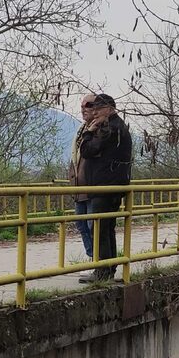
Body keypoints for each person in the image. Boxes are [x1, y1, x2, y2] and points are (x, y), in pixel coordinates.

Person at [70, 92, 134, 283]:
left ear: (109, 108)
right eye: (94, 109)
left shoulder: (109, 128)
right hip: (112, 186)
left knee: (100, 229)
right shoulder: (118, 126)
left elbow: (88, 150)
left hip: (104, 187)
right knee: (106, 229)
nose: (95, 113)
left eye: (98, 109)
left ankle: (102, 272)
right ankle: (109, 268)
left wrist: (90, 131)